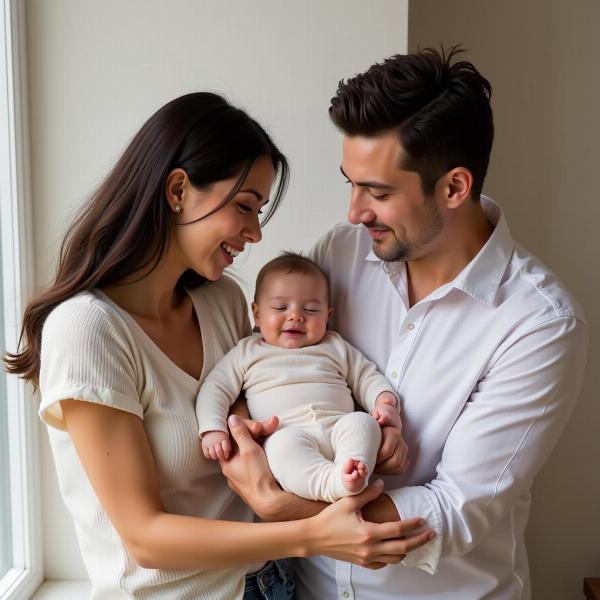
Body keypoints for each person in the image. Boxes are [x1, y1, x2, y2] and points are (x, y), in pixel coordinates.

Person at [3, 93, 435, 599]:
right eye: (246, 206)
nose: (255, 233)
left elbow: (277, 415)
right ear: (179, 190)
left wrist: (371, 428)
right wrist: (309, 534)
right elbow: (144, 538)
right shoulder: (88, 330)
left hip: (273, 583)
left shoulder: (224, 303)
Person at [216, 48, 588, 599]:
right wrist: (246, 429)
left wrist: (282, 509)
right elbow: (265, 362)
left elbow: (455, 509)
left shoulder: (538, 323)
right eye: (352, 182)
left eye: (379, 192)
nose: (354, 211)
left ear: (455, 187)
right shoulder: (338, 255)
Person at [197, 252, 407, 503]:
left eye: (310, 309)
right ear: (257, 313)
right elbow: (216, 387)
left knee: (363, 423)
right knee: (281, 449)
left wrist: (384, 403)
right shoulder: (247, 352)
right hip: (288, 432)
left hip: (338, 428)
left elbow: (366, 376)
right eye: (280, 307)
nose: (295, 316)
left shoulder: (335, 345)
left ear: (328, 316)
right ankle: (334, 483)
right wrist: (212, 428)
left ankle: (352, 468)